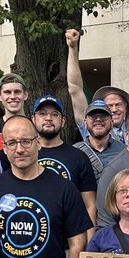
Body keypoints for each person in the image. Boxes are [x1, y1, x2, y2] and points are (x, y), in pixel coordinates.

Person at [0, 115, 92, 258]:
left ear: (38, 143)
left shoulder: (65, 189)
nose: (19, 149)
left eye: (26, 141)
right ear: (4, 148)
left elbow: (77, 240)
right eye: (12, 143)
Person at [66, 26, 129, 142]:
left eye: (118, 104)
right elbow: (75, 89)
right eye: (109, 106)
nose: (114, 109)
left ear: (126, 108)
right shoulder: (92, 128)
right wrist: (73, 48)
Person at [32, 95, 98, 225]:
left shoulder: (79, 157)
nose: (48, 118)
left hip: (72, 239)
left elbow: (90, 205)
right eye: (42, 113)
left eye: (55, 114)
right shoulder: (23, 155)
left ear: (63, 121)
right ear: (33, 119)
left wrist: (90, 242)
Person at [74, 99, 126, 172]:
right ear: (85, 122)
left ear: (111, 122)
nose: (98, 119)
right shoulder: (74, 152)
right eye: (93, 116)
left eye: (103, 116)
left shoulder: (124, 151)